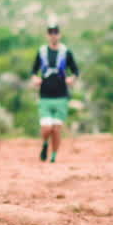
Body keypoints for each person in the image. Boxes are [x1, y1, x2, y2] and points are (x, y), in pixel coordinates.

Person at [30, 21, 79, 163]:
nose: (53, 35)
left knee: (57, 129)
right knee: (47, 128)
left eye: (55, 32)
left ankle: (53, 156)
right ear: (47, 35)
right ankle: (45, 144)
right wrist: (35, 78)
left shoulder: (66, 52)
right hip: (45, 96)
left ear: (59, 34)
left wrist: (72, 79)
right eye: (50, 33)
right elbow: (33, 70)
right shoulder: (42, 52)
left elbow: (75, 70)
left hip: (61, 96)